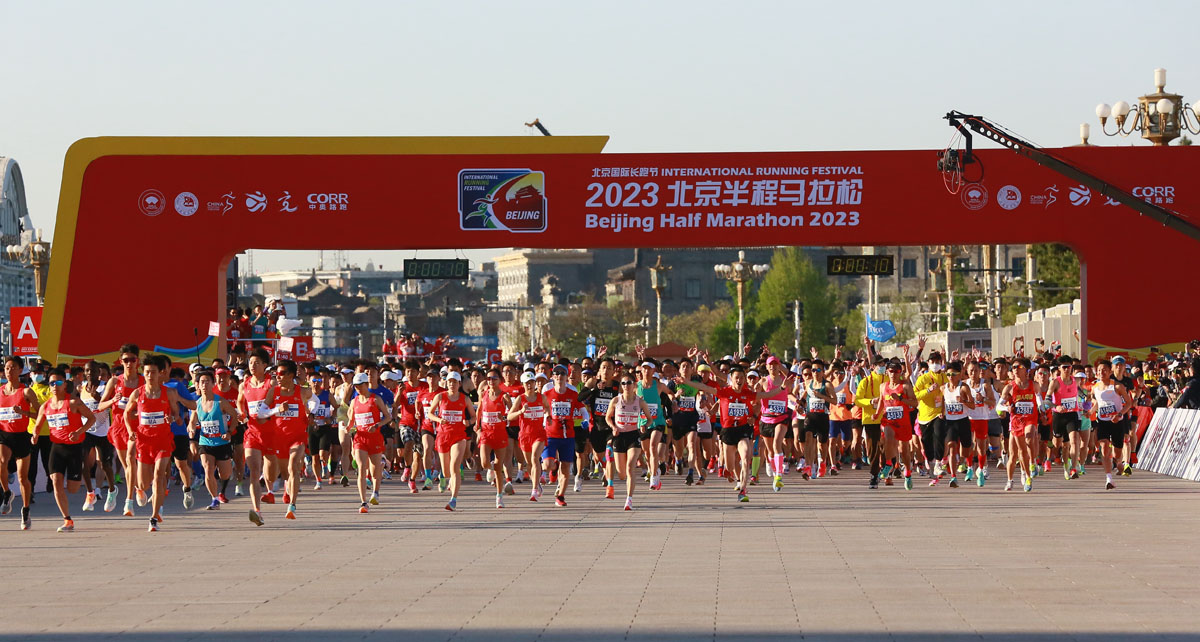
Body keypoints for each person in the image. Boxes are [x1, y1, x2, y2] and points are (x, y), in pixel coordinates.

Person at [686, 366, 788, 503]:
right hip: (728, 432)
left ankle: (743, 490)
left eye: (741, 377)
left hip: (743, 430)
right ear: (731, 379)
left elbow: (766, 395)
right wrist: (685, 381)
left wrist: (782, 388)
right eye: (736, 377)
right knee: (729, 466)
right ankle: (729, 472)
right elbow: (705, 387)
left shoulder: (747, 392)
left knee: (746, 457)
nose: (739, 380)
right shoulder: (724, 392)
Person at [32, 371, 96, 532]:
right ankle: (67, 520)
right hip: (57, 447)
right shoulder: (46, 406)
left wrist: (79, 432)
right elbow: (38, 424)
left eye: (58, 383)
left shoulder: (74, 402)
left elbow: (91, 418)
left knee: (73, 489)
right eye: (52, 383)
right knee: (56, 482)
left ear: (65, 384)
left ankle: (90, 493)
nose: (54, 386)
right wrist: (35, 435)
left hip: (74, 448)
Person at [124, 357, 182, 532]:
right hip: (144, 441)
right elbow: (127, 414)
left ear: (160, 374)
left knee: (159, 475)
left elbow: (176, 415)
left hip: (163, 440)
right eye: (147, 372)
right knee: (144, 484)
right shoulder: (137, 394)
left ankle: (154, 517)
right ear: (144, 373)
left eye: (153, 372)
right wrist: (129, 431)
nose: (150, 375)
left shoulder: (169, 393)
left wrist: (171, 418)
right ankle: (140, 490)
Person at [236, 348, 277, 527]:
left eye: (257, 363)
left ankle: (270, 490)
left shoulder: (272, 383)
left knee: (271, 473)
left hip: (272, 433)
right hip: (252, 433)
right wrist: (242, 414)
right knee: (253, 472)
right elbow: (239, 401)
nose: (252, 366)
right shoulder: (244, 384)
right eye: (251, 362)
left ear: (265, 365)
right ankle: (257, 511)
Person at [187, 369, 238, 510]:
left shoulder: (220, 402)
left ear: (213, 384)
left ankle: (229, 466)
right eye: (201, 382)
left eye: (207, 382)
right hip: (205, 442)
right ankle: (214, 499)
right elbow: (192, 421)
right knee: (208, 469)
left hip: (222, 442)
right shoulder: (196, 404)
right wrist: (191, 430)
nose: (204, 385)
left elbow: (235, 416)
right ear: (197, 384)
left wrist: (229, 432)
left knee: (224, 474)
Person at [1, 355, 40, 529]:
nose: (9, 371)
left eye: (13, 368)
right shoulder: (0, 390)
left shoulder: (26, 391)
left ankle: (25, 510)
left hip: (21, 436)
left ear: (20, 370)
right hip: (4, 434)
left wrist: (24, 413)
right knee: (1, 462)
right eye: (7, 368)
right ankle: (7, 493)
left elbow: (40, 414)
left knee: (22, 478)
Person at [427, 371, 476, 511]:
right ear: (446, 383)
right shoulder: (440, 397)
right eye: (450, 382)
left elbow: (474, 416)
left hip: (459, 436)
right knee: (447, 471)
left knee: (455, 467)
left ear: (459, 384)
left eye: (455, 382)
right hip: (443, 436)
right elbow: (430, 413)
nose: (452, 384)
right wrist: (439, 419)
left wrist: (468, 422)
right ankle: (444, 477)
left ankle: (453, 499)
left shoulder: (464, 398)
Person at [605, 373, 652, 510]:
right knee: (621, 473)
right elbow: (608, 417)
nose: (626, 386)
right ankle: (611, 471)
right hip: (619, 436)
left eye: (629, 383)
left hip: (633, 436)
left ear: (634, 385)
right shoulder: (615, 400)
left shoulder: (640, 402)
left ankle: (629, 499)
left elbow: (649, 419)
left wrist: (645, 425)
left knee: (630, 466)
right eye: (623, 383)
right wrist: (613, 427)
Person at [272, 359, 311, 520]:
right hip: (279, 437)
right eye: (276, 374)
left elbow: (314, 400)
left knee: (294, 466)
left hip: (298, 437)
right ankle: (287, 486)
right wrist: (277, 409)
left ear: (291, 375)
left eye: (281, 373)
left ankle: (292, 505)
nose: (278, 376)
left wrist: (310, 413)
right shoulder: (273, 392)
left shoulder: (303, 392)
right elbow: (263, 411)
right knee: (285, 472)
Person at [872, 359, 918, 490]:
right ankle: (888, 464)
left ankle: (908, 473)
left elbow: (915, 403)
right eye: (891, 371)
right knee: (888, 437)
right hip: (889, 420)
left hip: (903, 422)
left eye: (896, 371)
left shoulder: (905, 386)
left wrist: (901, 399)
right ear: (887, 372)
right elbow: (881, 401)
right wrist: (876, 413)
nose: (893, 374)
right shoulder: (883, 386)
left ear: (900, 372)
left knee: (904, 451)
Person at [542, 365, 585, 507]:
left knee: (566, 468)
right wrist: (544, 418)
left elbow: (582, 409)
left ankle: (560, 496)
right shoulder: (546, 393)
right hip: (550, 435)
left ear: (566, 377)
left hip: (568, 436)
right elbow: (539, 408)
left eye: (562, 374)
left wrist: (585, 420)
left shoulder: (572, 394)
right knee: (548, 465)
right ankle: (554, 469)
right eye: (556, 374)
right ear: (553, 377)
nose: (559, 376)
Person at [348, 372, 392, 512]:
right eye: (356, 386)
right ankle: (363, 502)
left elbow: (388, 417)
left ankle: (376, 492)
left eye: (360, 386)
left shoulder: (375, 399)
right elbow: (351, 420)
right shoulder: (354, 402)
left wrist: (377, 425)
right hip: (360, 439)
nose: (358, 389)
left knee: (375, 469)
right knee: (361, 468)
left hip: (375, 438)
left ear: (366, 385)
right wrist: (347, 427)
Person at [78, 361, 116, 512]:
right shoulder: (81, 387)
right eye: (87, 371)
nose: (89, 374)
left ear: (97, 372)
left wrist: (98, 397)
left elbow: (111, 404)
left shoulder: (104, 386)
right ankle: (90, 493)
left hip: (102, 431)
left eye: (92, 371)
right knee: (83, 463)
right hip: (87, 430)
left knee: (104, 464)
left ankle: (112, 490)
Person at [999, 358, 1040, 493]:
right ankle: (1025, 476)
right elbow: (998, 406)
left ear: (1026, 370)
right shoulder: (1009, 387)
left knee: (1029, 437)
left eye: (1018, 367)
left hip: (1030, 418)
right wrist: (1007, 409)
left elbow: (1039, 401)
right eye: (1013, 367)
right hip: (1016, 421)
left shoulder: (1033, 385)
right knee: (1018, 452)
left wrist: (1043, 408)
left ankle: (1033, 463)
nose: (1015, 369)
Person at [507, 371, 549, 502]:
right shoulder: (520, 398)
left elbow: (547, 408)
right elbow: (509, 416)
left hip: (539, 434)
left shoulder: (541, 397)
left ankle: (534, 490)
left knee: (535, 458)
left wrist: (547, 415)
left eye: (532, 383)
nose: (530, 386)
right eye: (527, 383)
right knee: (530, 463)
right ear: (523, 385)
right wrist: (521, 411)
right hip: (525, 435)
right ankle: (537, 483)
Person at [475, 368, 512, 508]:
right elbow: (479, 410)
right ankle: (489, 469)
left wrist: (503, 417)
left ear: (500, 380)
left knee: (498, 466)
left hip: (500, 433)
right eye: (489, 378)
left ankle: (499, 496)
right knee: (485, 463)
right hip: (485, 432)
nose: (491, 381)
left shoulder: (504, 396)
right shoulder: (484, 394)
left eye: (494, 378)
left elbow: (512, 412)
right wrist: (477, 425)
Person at [1092, 359, 1129, 491]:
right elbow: (1096, 402)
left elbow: (1129, 403)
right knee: (1104, 448)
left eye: (1104, 370)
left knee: (1117, 451)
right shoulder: (1094, 387)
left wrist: (1119, 414)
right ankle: (1109, 479)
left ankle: (1118, 462)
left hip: (1117, 422)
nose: (1101, 373)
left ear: (1110, 371)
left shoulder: (1118, 387)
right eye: (1099, 370)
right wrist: (1090, 411)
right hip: (1102, 421)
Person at [306, 369, 337, 491]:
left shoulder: (327, 394)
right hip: (312, 428)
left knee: (323, 454)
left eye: (318, 380)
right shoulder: (306, 395)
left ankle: (324, 464)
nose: (316, 383)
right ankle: (318, 480)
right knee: (314, 457)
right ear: (309, 382)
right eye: (313, 381)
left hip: (325, 427)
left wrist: (331, 417)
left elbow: (336, 407)